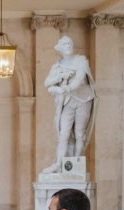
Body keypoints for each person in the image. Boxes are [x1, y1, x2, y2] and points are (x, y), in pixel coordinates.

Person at [42, 36, 97, 174]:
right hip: (68, 102)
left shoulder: (81, 61)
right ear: (60, 48)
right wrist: (60, 77)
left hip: (84, 99)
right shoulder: (57, 66)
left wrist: (62, 89)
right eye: (65, 44)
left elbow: (78, 81)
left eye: (70, 43)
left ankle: (75, 165)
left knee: (79, 133)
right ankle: (59, 164)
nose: (68, 45)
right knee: (63, 134)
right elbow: (47, 83)